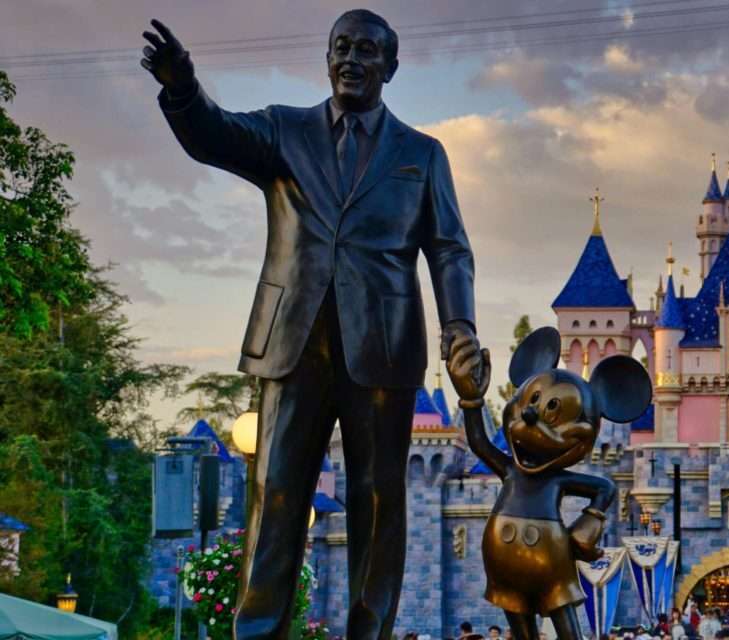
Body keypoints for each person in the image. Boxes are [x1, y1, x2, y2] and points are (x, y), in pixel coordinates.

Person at [140, 9, 479, 640]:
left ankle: (368, 631)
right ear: (327, 59)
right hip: (292, 343)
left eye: (367, 51)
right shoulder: (283, 131)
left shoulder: (422, 154)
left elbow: (450, 248)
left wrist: (460, 326)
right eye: (341, 48)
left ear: (391, 67)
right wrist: (182, 88)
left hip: (383, 347)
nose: (352, 59)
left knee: (379, 503)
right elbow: (213, 134)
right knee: (275, 496)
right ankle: (259, 630)